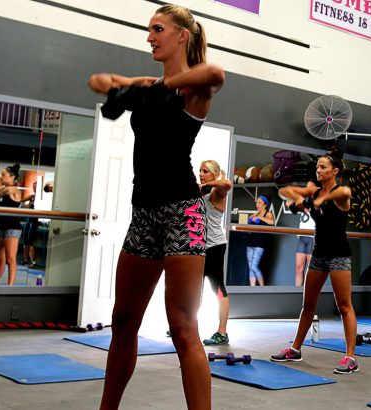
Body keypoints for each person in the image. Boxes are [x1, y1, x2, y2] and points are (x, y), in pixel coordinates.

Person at [87, 3, 224, 409]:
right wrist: (129, 88)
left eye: (157, 29)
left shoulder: (192, 89)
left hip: (183, 212)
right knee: (123, 321)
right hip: (143, 213)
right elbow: (98, 80)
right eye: (149, 30)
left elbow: (216, 74)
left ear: (182, 35)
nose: (149, 37)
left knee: (183, 327)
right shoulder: (149, 85)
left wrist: (158, 88)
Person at [273, 150, 360, 375]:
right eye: (317, 167)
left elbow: (346, 191)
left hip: (339, 255)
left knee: (344, 306)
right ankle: (295, 349)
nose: (318, 170)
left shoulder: (340, 194)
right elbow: (284, 191)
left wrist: (320, 199)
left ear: (335, 171)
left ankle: (351, 357)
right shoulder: (314, 191)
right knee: (308, 305)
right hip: (319, 254)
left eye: (323, 167)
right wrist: (302, 198)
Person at [197, 160, 233, 346]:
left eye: (205, 171)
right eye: (200, 170)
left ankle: (222, 332)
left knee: (217, 289)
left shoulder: (216, 191)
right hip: (199, 247)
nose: (201, 174)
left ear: (214, 174)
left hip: (215, 246)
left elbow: (227, 183)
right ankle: (187, 325)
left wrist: (207, 185)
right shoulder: (201, 191)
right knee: (195, 289)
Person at [0, 164, 23, 286]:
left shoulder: (13, 190)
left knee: (10, 258)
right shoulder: (3, 188)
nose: (1, 177)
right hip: (2, 228)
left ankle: (10, 287)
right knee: (0, 259)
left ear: (12, 177)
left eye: (3, 175)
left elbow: (3, 191)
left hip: (12, 228)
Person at [245, 195, 273, 286]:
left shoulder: (268, 213)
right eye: (257, 202)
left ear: (265, 205)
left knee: (254, 266)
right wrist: (253, 218)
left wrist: (260, 218)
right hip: (251, 242)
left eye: (259, 203)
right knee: (250, 267)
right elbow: (248, 222)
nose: (257, 204)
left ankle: (262, 287)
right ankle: (252, 288)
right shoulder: (255, 213)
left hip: (260, 243)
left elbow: (272, 222)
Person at [294, 181, 317, 287]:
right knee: (299, 268)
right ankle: (297, 292)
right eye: (306, 186)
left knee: (311, 269)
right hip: (302, 237)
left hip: (313, 237)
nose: (307, 188)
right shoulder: (304, 200)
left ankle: (310, 293)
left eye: (310, 186)